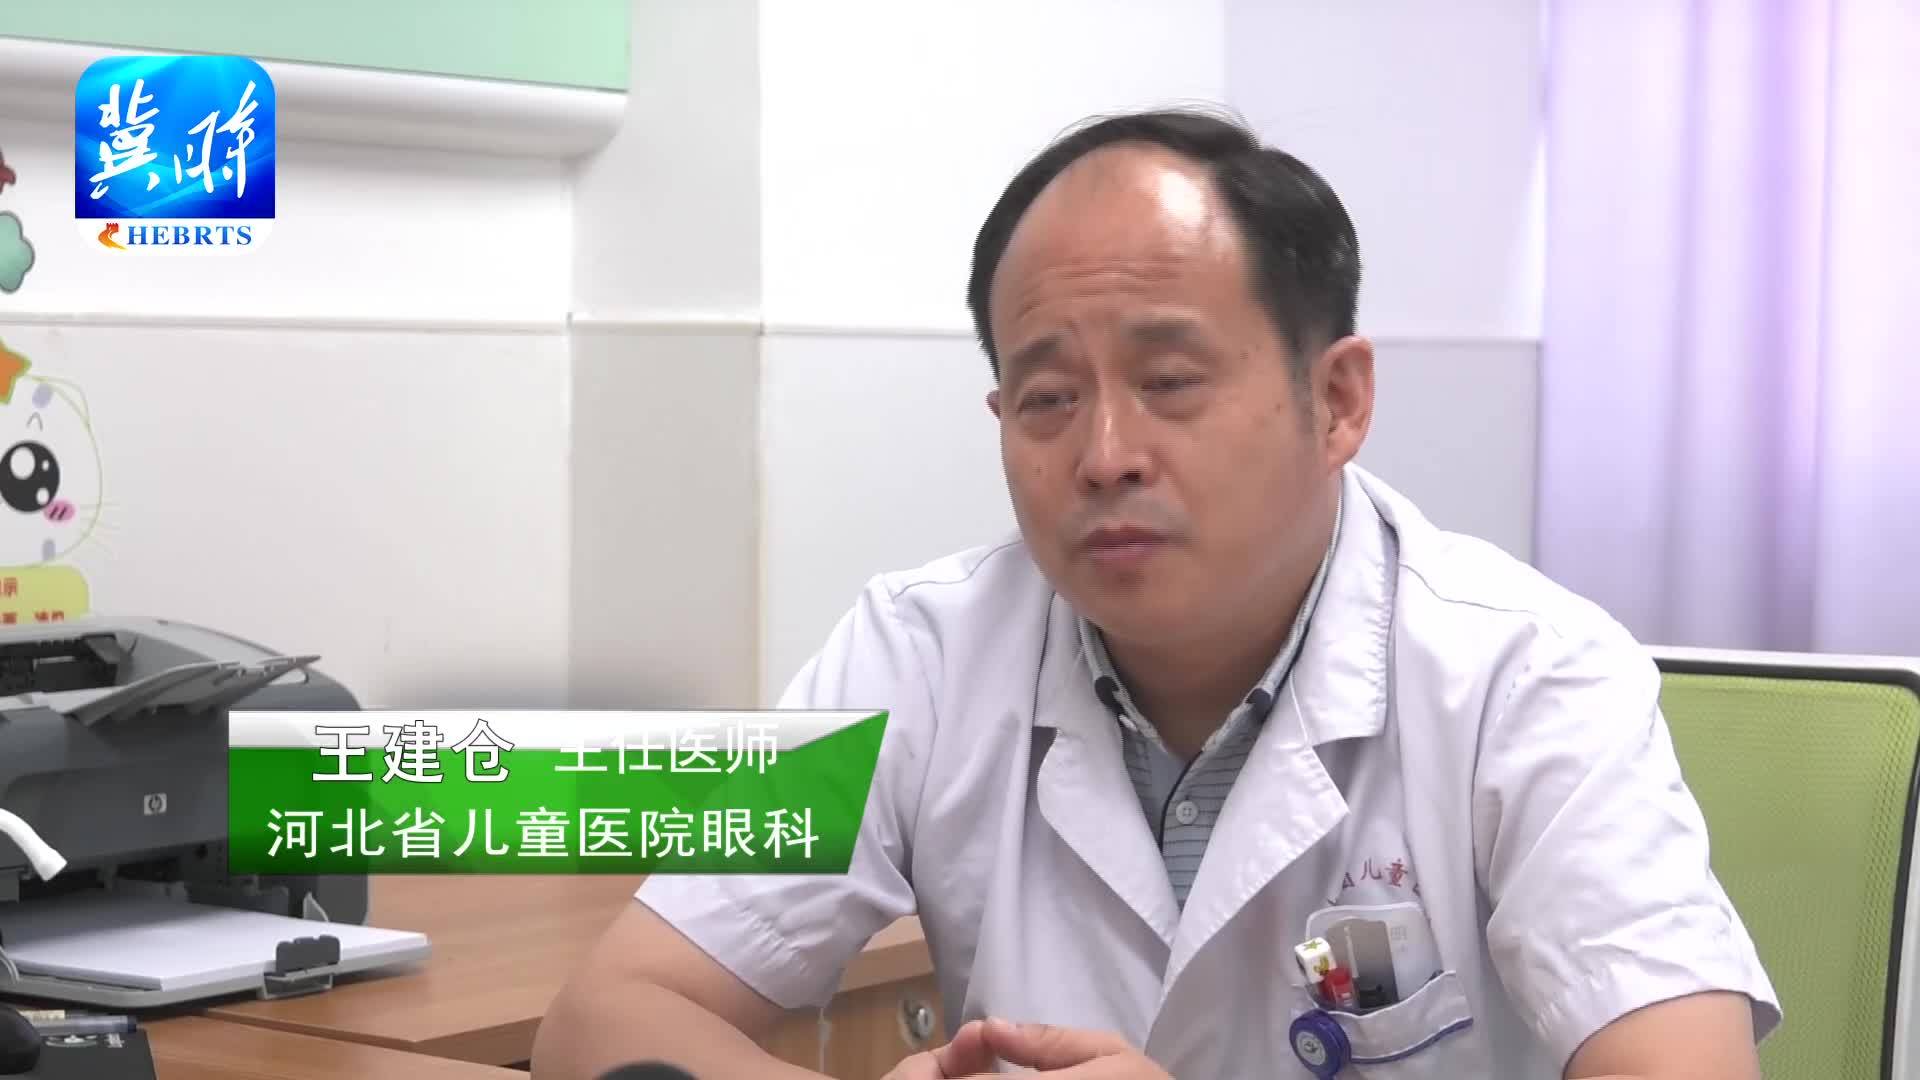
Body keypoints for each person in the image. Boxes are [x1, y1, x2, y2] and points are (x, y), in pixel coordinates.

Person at [531, 107, 1780, 1079]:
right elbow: (608, 1018)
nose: (1104, 454)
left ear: (1337, 400)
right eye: (1047, 397)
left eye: (1171, 381)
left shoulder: (1530, 674)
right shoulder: (917, 651)